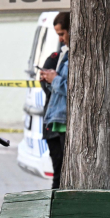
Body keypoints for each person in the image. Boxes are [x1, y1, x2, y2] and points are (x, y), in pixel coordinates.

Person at [40, 12, 69, 188]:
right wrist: (49, 81)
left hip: (63, 121)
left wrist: (55, 80)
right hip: (55, 122)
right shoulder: (58, 57)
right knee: (59, 174)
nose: (60, 39)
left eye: (62, 34)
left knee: (63, 175)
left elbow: (74, 89)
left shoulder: (72, 56)